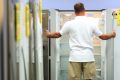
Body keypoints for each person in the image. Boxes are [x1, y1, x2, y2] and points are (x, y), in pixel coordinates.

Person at [46, 2, 116, 80]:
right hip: (88, 57)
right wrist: (112, 34)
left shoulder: (69, 24)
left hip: (74, 57)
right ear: (84, 10)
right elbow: (103, 37)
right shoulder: (91, 23)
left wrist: (48, 34)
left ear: (75, 12)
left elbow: (57, 35)